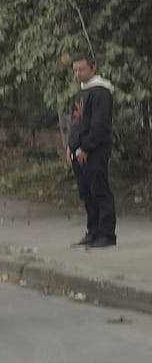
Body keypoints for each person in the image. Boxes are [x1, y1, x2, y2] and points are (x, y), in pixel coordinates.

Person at [68, 53, 117, 248]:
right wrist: (71, 147)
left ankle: (106, 233)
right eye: (75, 70)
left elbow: (100, 125)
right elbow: (75, 122)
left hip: (95, 150)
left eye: (81, 69)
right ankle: (92, 230)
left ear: (92, 68)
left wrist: (86, 148)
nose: (77, 74)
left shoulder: (101, 92)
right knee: (86, 192)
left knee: (99, 190)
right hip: (78, 151)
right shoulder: (80, 92)